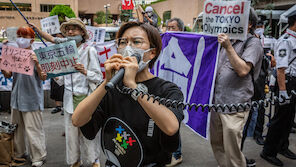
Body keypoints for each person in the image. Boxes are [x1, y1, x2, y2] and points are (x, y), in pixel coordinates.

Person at [72, 21, 184, 167]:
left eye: (136, 42)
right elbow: (77, 119)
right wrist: (106, 82)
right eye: (123, 42)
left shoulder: (167, 89)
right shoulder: (111, 87)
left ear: (152, 52)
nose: (128, 48)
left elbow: (171, 128)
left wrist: (133, 85)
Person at [29, 18, 103, 167]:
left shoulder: (90, 50)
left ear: (82, 32)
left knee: (88, 134)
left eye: (74, 29)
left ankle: (94, 160)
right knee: (71, 135)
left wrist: (85, 71)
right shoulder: (64, 50)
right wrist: (50, 74)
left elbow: (98, 77)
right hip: (69, 100)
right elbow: (62, 80)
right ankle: (74, 162)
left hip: (86, 100)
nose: (70, 31)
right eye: (68, 29)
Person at [210, 8, 263, 167]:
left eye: (238, 19)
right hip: (216, 102)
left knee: (232, 150)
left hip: (235, 104)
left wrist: (228, 47)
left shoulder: (253, 43)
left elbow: (243, 70)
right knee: (217, 144)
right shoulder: (224, 40)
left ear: (249, 25)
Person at [1, 26, 47, 167]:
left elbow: (44, 77)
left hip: (32, 98)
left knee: (34, 129)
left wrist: (38, 63)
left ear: (32, 39)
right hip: (16, 97)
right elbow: (8, 74)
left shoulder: (37, 54)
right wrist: (3, 63)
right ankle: (19, 154)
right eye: (19, 36)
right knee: (17, 129)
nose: (21, 39)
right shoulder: (14, 54)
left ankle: (38, 156)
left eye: (24, 36)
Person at [261, 11, 296, 167]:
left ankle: (282, 146)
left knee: (289, 119)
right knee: (279, 120)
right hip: (286, 83)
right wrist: (282, 91)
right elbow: (281, 68)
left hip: (293, 82)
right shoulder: (285, 40)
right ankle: (268, 152)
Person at [165, 17, 184, 167]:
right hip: (165, 88)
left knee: (174, 121)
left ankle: (177, 154)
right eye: (168, 27)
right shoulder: (164, 42)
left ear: (181, 30)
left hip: (178, 90)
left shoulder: (185, 45)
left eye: (173, 28)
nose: (170, 31)